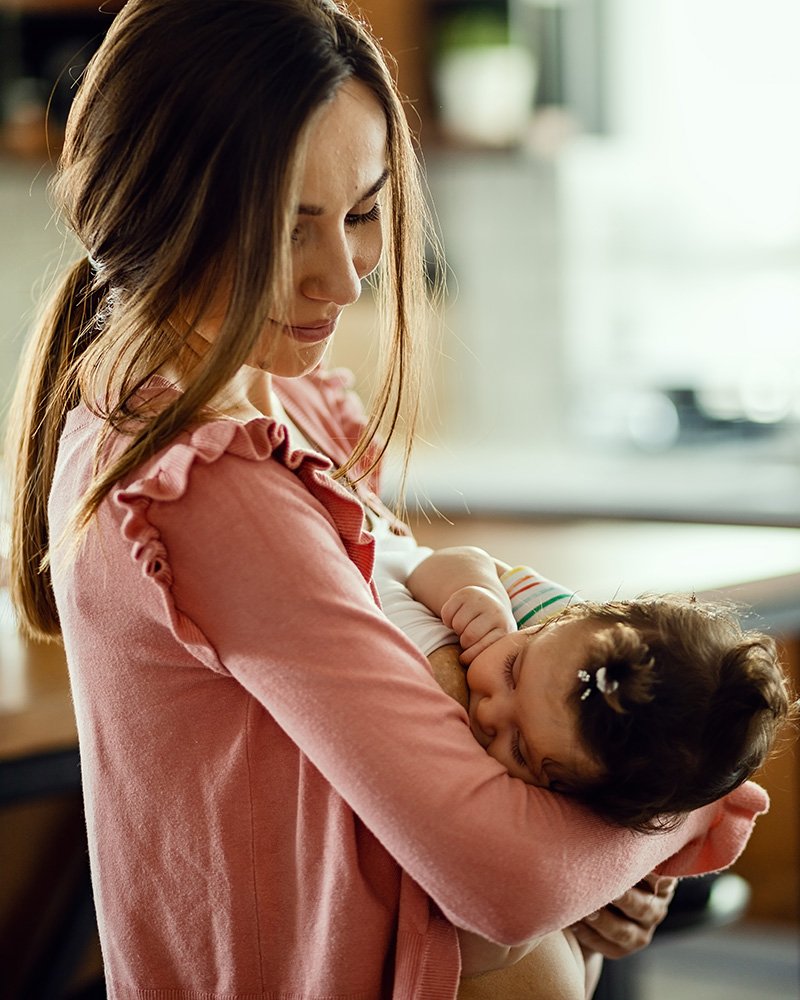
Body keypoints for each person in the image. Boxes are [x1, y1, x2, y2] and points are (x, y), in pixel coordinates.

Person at [4, 2, 771, 997]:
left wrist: (602, 838)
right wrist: (669, 818)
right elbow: (501, 878)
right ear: (153, 211)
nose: (344, 278)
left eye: (361, 213)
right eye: (285, 229)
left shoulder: (278, 401)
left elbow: (493, 637)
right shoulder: (211, 488)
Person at [394, 546, 794, 830]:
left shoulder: (588, 781)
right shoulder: (555, 618)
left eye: (519, 747)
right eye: (513, 670)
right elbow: (433, 562)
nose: (487, 712)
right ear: (571, 616)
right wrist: (475, 589)